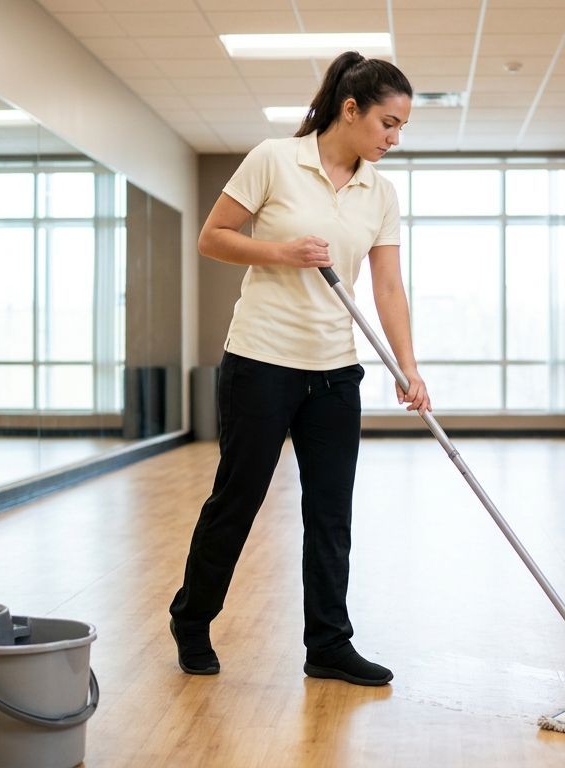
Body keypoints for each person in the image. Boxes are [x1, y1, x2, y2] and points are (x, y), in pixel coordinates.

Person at [168, 51, 429, 687]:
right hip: (261, 361)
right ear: (350, 110)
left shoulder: (380, 191)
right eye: (387, 124)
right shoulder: (274, 159)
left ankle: (329, 646)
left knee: (331, 512)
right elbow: (213, 236)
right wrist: (281, 252)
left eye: (401, 129)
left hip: (336, 372)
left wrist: (407, 366)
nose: (394, 139)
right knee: (239, 497)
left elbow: (389, 287)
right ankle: (193, 617)